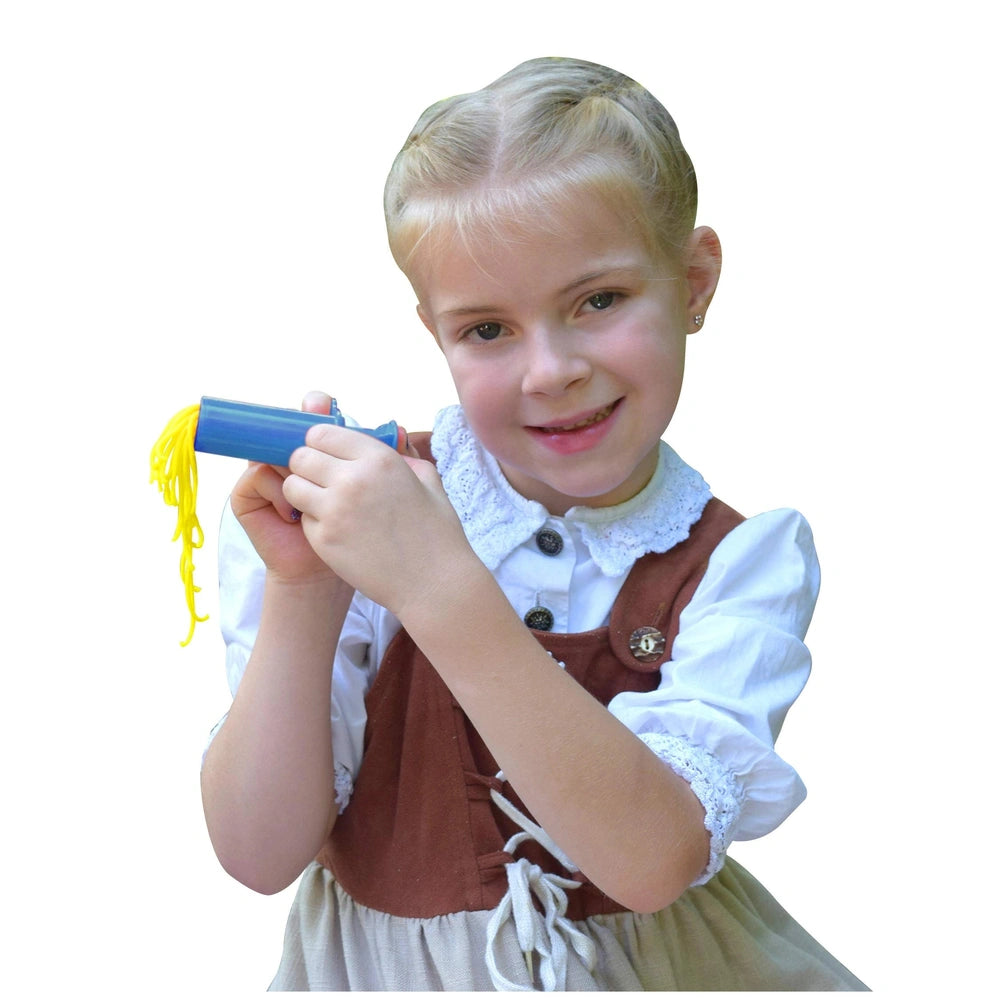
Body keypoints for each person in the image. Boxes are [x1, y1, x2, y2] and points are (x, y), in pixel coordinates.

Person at [200, 56, 867, 991]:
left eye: (599, 301)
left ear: (695, 281)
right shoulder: (359, 519)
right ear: (436, 332)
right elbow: (258, 855)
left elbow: (648, 863)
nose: (550, 371)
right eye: (487, 329)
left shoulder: (740, 564)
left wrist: (439, 587)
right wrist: (305, 588)